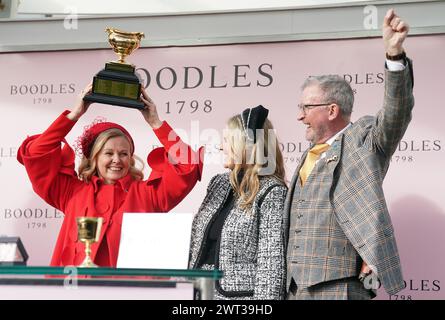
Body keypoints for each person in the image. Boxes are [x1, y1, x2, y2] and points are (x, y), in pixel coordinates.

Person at [285, 9, 413, 300]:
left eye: (306, 108)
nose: (299, 116)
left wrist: (394, 57)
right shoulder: (309, 155)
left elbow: (396, 113)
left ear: (332, 110)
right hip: (294, 289)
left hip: (342, 287)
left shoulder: (365, 139)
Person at [17, 84, 203, 267]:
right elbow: (35, 154)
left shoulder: (150, 194)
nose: (117, 160)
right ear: (94, 157)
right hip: (73, 291)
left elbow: (188, 165)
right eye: (108, 153)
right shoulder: (70, 191)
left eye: (123, 154)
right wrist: (74, 115)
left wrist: (156, 123)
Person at [188, 105, 288, 300]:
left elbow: (271, 265)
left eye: (226, 140)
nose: (220, 147)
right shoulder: (219, 183)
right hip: (199, 292)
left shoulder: (273, 191)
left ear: (246, 144)